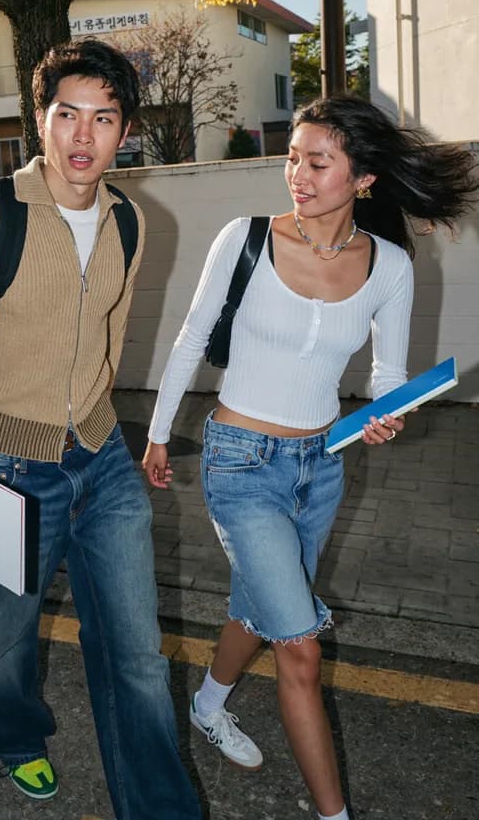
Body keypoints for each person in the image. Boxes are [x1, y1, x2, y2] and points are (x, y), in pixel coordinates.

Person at [142, 96, 478, 820]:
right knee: (300, 647)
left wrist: (387, 413)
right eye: (293, 156)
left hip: (321, 466)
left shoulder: (389, 265)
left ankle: (208, 703)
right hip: (238, 461)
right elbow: (191, 338)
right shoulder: (246, 237)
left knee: (262, 610)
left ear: (362, 178)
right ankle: (334, 816)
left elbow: (387, 376)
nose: (297, 173)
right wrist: (159, 433)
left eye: (317, 161)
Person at [0, 39, 203, 819]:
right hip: (6, 465)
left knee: (138, 656)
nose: (83, 136)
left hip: (102, 462)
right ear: (38, 120)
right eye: (67, 114)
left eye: (103, 118)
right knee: (9, 641)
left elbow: (109, 335)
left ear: (124, 130)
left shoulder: (129, 221)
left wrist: (109, 426)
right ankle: (14, 736)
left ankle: (161, 808)